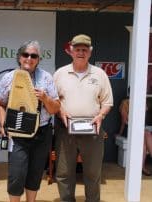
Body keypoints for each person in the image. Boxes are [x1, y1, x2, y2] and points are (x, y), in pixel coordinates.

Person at [53, 34, 113, 202]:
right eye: (77, 49)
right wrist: (61, 112)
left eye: (84, 50)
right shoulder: (60, 74)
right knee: (64, 172)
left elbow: (107, 102)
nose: (81, 52)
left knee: (93, 172)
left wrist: (101, 115)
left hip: (93, 129)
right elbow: (53, 101)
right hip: (65, 129)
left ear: (90, 52)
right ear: (70, 51)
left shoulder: (100, 74)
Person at [0, 40, 60, 202]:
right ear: (19, 57)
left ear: (38, 59)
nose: (29, 58)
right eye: (26, 54)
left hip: (42, 132)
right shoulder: (9, 78)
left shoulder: (46, 78)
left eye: (34, 56)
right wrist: (3, 124)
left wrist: (45, 98)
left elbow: (55, 108)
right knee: (16, 175)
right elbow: (0, 103)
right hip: (17, 133)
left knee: (35, 173)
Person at [117, 88, 152, 176]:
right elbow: (124, 121)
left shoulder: (142, 102)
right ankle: (142, 167)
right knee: (146, 134)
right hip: (128, 128)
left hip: (139, 129)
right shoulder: (125, 103)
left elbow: (143, 118)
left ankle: (142, 167)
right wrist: (120, 134)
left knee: (144, 140)